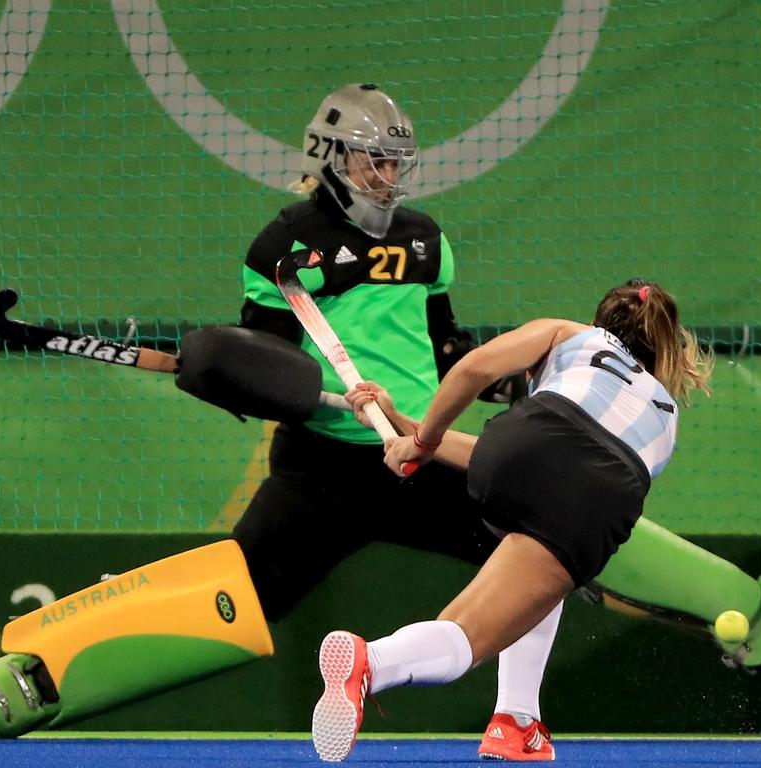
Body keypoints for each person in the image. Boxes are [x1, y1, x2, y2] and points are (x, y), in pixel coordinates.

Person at [234, 82, 563, 760]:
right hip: (321, 467)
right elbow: (263, 362)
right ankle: (77, 656)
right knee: (237, 599)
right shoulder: (286, 244)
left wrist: (510, 385)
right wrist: (244, 382)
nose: (386, 178)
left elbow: (446, 347)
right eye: (370, 162)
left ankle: (516, 722)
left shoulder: (425, 241)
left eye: (393, 163)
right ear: (330, 158)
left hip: (418, 456)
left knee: (542, 552)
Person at [310, 280, 714, 762]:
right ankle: (371, 663)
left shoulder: (567, 334)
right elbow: (575, 466)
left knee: (537, 578)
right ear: (664, 346)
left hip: (515, 452)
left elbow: (476, 371)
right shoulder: (666, 415)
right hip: (595, 494)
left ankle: (516, 719)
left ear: (600, 321)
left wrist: (415, 433)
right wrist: (416, 439)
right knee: (469, 634)